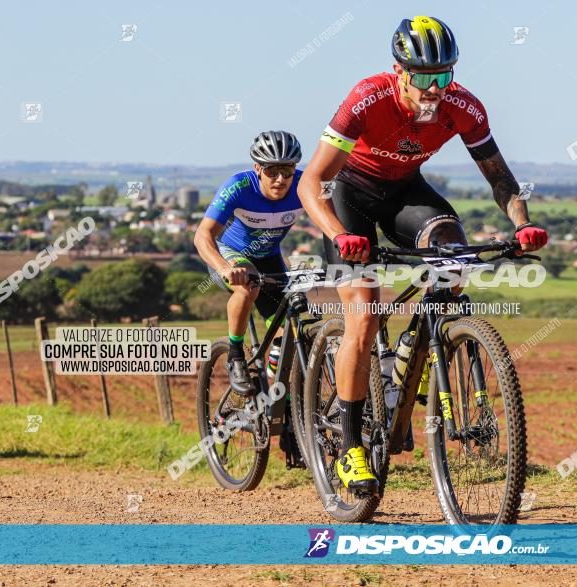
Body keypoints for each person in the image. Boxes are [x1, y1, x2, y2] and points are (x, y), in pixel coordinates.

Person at [298, 15, 548, 494]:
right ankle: (351, 448)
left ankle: (419, 355)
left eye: (444, 75)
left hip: (405, 193)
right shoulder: (366, 98)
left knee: (453, 256)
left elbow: (500, 178)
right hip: (349, 195)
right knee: (364, 315)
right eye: (424, 78)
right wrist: (336, 232)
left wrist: (522, 223)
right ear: (399, 71)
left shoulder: (463, 106)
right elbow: (313, 181)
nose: (435, 88)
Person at [194, 131, 304, 395]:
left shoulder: (304, 185)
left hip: (270, 257)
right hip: (232, 254)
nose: (280, 179)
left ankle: (279, 402)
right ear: (258, 168)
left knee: (289, 333)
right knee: (247, 287)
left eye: (287, 171)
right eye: (272, 171)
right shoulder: (239, 186)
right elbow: (202, 235)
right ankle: (235, 357)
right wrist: (224, 268)